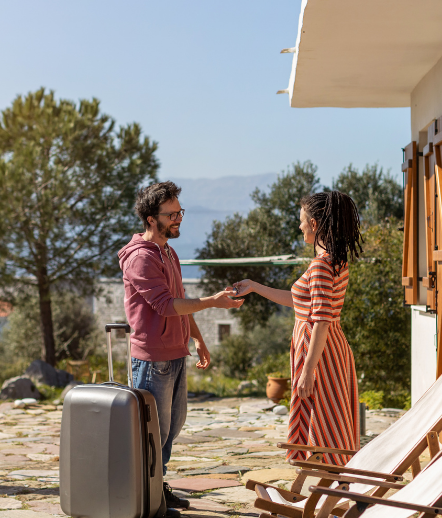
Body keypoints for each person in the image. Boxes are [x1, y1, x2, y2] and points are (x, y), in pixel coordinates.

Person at [118, 181, 244, 516]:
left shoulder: (168, 252)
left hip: (175, 354)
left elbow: (182, 303)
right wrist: (214, 303)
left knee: (171, 429)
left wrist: (198, 339)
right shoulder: (140, 259)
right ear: (150, 218)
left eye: (179, 212)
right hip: (151, 360)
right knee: (151, 435)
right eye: (170, 214)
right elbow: (166, 306)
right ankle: (146, 498)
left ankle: (157, 488)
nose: (178, 219)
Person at [231, 191, 362, 465]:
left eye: (302, 220)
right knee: (327, 418)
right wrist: (255, 286)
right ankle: (331, 486)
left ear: (314, 224)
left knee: (322, 422)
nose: (299, 226)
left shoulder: (321, 267)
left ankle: (329, 486)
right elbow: (300, 302)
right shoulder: (334, 262)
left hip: (320, 354)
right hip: (328, 350)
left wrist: (308, 371)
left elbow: (321, 322)